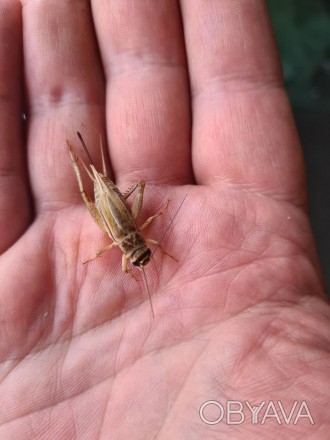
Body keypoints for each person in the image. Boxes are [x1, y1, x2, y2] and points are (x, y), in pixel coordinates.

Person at [0, 1, 328, 438]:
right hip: (113, 205)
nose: (140, 255)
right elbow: (144, 217)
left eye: (137, 255)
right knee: (88, 186)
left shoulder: (129, 242)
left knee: (97, 184)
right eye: (140, 254)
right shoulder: (123, 242)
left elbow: (147, 217)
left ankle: (85, 161)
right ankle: (81, 161)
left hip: (116, 206)